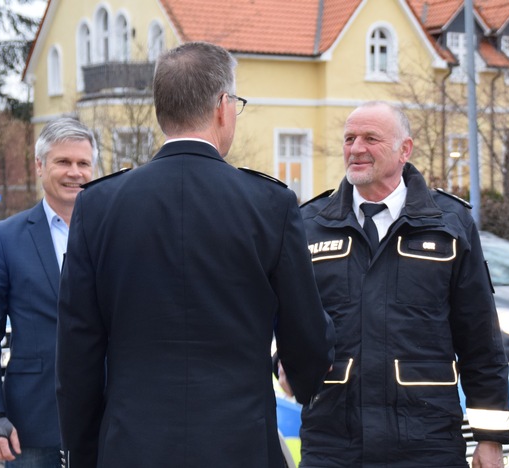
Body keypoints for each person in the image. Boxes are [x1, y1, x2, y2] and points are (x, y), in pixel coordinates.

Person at [55, 41, 335, 468]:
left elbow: (77, 350)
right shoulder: (270, 204)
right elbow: (307, 338)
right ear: (223, 106)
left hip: (132, 446)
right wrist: (306, 380)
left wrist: (84, 449)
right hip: (240, 446)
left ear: (160, 110)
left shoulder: (99, 205)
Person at [281, 101, 509, 467]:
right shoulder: (308, 225)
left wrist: (490, 439)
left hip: (426, 443)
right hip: (334, 445)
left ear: (405, 149)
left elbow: (480, 339)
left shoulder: (449, 225)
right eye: (349, 138)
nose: (356, 148)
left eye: (371, 138)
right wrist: (287, 361)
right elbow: (287, 318)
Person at [0, 116, 94, 467]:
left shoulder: (114, 234)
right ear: (40, 166)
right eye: (63, 162)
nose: (75, 172)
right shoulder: (5, 239)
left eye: (83, 163)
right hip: (32, 424)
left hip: (106, 419)